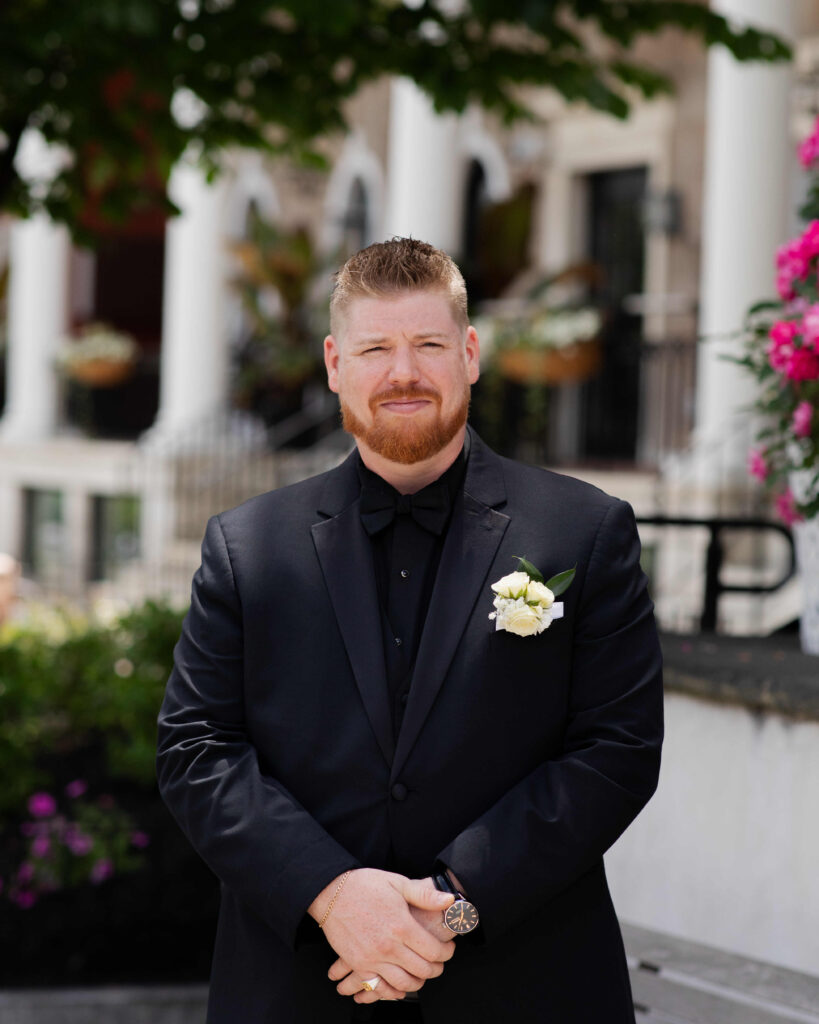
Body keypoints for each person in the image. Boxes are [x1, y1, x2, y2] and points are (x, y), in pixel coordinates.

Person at [157, 238, 663, 1024]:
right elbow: (196, 750)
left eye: (427, 344)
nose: (403, 373)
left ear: (469, 354)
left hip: (527, 985)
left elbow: (617, 750)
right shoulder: (245, 545)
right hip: (297, 988)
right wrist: (331, 896)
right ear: (333, 363)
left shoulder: (585, 529)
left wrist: (453, 906)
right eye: (375, 349)